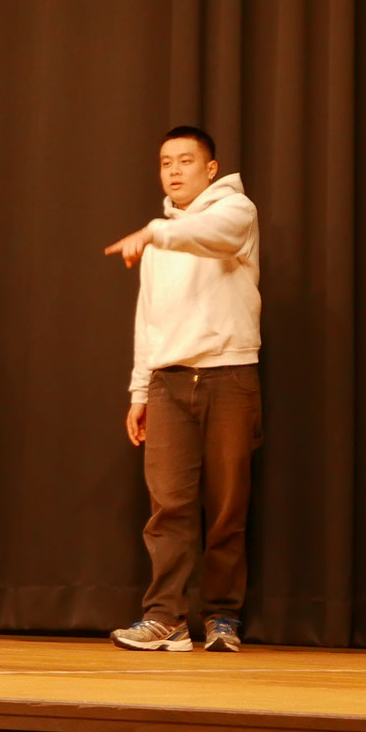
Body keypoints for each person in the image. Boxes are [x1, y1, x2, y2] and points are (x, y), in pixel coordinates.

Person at [101, 125, 262, 653]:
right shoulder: (159, 237)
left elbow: (214, 236)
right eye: (166, 162)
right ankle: (165, 617)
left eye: (185, 161)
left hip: (230, 376)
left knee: (226, 506)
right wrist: (139, 391)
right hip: (169, 383)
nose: (173, 170)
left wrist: (154, 232)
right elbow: (148, 319)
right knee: (168, 506)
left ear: (210, 168)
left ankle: (222, 616)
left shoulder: (236, 210)